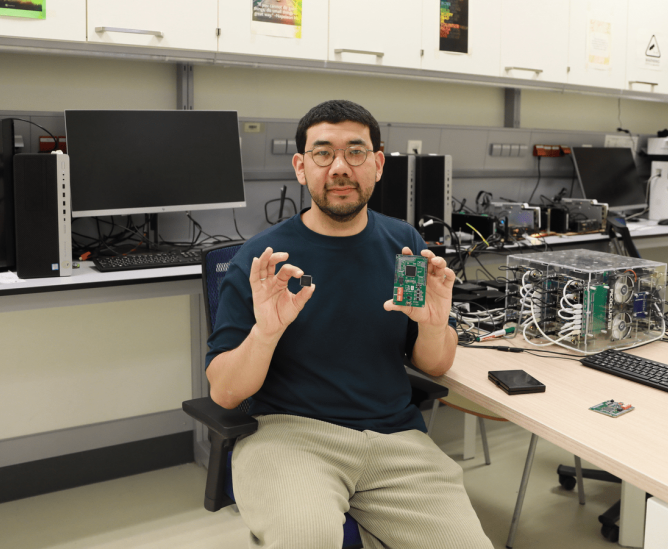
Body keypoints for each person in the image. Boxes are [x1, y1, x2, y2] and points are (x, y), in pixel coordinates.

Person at [206, 100, 492, 549]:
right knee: (305, 538)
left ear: (377, 164)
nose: (340, 167)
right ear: (301, 167)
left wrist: (434, 326)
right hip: (290, 437)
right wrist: (266, 333)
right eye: (323, 153)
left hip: (396, 440)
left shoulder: (404, 245)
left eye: (355, 152)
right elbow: (224, 394)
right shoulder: (263, 261)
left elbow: (434, 365)